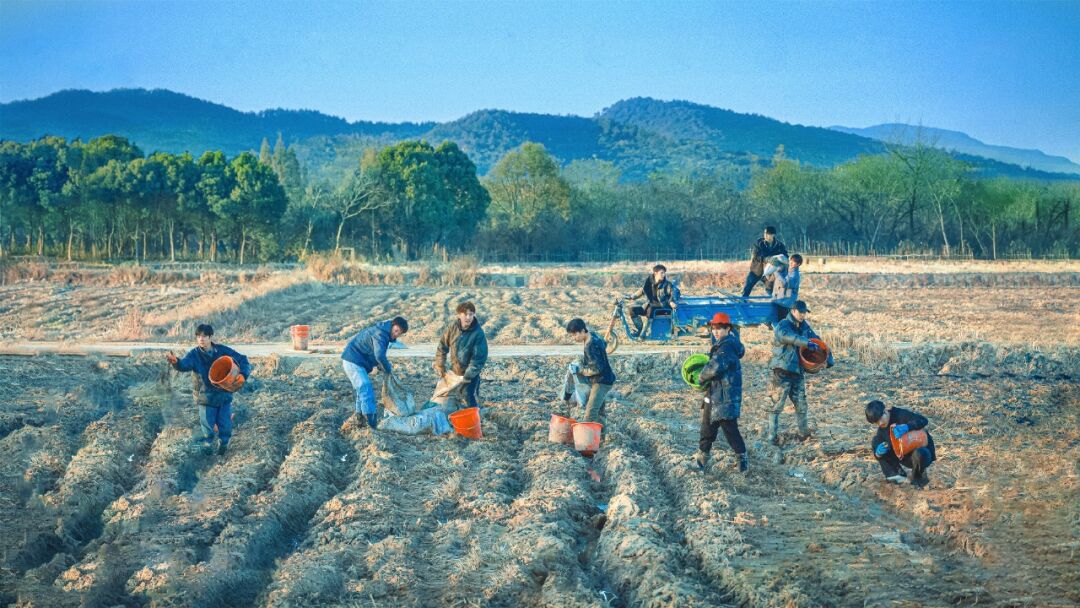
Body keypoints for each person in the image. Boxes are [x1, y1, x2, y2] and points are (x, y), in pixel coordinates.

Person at [166, 324, 251, 455]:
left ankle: (224, 444)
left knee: (225, 423)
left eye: (204, 336)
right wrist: (176, 362)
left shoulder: (222, 350)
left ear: (210, 337)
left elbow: (243, 359)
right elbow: (184, 365)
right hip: (205, 396)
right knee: (207, 425)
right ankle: (208, 446)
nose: (201, 339)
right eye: (198, 336)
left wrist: (243, 375)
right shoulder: (194, 355)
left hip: (223, 394)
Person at [767, 300, 833, 444]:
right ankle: (771, 436)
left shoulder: (804, 326)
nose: (803, 315)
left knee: (801, 405)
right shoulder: (783, 325)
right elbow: (788, 337)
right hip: (782, 372)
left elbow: (817, 340)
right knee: (776, 406)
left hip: (797, 373)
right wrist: (806, 342)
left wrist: (829, 355)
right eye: (801, 312)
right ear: (793, 310)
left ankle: (803, 434)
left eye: (804, 312)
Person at [692, 312, 748, 473]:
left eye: (719, 329)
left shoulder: (727, 346)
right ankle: (701, 460)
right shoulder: (724, 344)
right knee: (707, 426)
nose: (716, 332)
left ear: (728, 329)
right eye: (714, 329)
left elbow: (715, 367)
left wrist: (701, 377)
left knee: (730, 429)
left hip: (725, 395)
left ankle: (743, 463)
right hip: (716, 393)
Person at [341, 316, 408, 430]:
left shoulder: (383, 333)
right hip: (353, 361)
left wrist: (380, 365)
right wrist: (387, 368)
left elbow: (374, 352)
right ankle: (371, 424)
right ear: (392, 325)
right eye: (396, 331)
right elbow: (379, 355)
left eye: (399, 333)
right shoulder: (381, 334)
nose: (396, 334)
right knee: (366, 389)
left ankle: (360, 419)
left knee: (362, 391)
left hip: (356, 361)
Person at [865, 400, 936, 488]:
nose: (880, 423)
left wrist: (907, 427)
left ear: (886, 410)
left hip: (921, 454)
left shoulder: (900, 415)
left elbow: (923, 420)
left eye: (880, 418)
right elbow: (879, 452)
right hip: (904, 457)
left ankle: (918, 477)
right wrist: (878, 453)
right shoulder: (881, 432)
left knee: (920, 454)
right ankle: (895, 474)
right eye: (876, 422)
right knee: (876, 442)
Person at [435, 301, 488, 410]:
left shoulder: (478, 333)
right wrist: (440, 365)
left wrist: (467, 376)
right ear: (459, 315)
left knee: (469, 397)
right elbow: (442, 346)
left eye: (471, 314)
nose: (468, 317)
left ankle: (476, 419)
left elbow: (478, 359)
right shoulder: (452, 327)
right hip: (455, 370)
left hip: (470, 374)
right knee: (451, 397)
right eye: (465, 314)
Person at [562, 318, 616, 422]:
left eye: (575, 334)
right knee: (600, 411)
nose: (574, 338)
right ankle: (601, 436)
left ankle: (589, 437)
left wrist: (581, 370)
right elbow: (604, 345)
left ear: (583, 331)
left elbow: (596, 369)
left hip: (602, 381)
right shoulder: (594, 335)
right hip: (605, 378)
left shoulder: (589, 345)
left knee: (590, 413)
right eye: (572, 335)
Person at [626, 264, 676, 337]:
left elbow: (675, 292)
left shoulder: (667, 284)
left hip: (663, 307)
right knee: (632, 310)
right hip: (650, 306)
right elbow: (642, 290)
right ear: (655, 273)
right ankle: (639, 330)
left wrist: (671, 301)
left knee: (651, 308)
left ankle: (644, 333)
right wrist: (632, 297)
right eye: (661, 273)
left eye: (664, 273)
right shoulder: (649, 282)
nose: (664, 275)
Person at [741, 226, 788, 297]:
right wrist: (767, 259)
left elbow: (785, 256)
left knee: (770, 291)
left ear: (773, 235)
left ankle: (772, 305)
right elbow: (757, 256)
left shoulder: (779, 245)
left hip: (770, 273)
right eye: (765, 233)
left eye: (767, 233)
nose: (765, 235)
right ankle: (742, 303)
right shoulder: (758, 243)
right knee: (747, 288)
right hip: (756, 271)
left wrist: (782, 262)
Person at [771, 253, 803, 322]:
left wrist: (777, 273)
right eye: (791, 260)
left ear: (798, 264)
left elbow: (784, 284)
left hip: (786, 302)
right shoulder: (790, 270)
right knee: (780, 320)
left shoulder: (794, 274)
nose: (791, 263)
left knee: (782, 322)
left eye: (794, 262)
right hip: (783, 300)